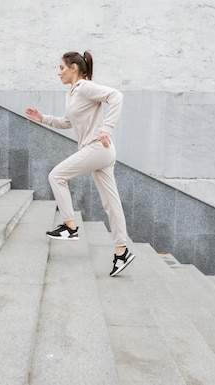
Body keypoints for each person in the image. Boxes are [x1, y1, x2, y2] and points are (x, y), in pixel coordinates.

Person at [25, 51, 136, 277]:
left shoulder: (85, 87)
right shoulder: (73, 94)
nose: (59, 72)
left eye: (61, 68)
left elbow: (117, 96)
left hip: (97, 148)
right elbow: (67, 122)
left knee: (56, 176)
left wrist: (107, 129)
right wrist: (43, 118)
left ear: (73, 68)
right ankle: (122, 252)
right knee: (110, 203)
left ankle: (70, 226)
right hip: (98, 152)